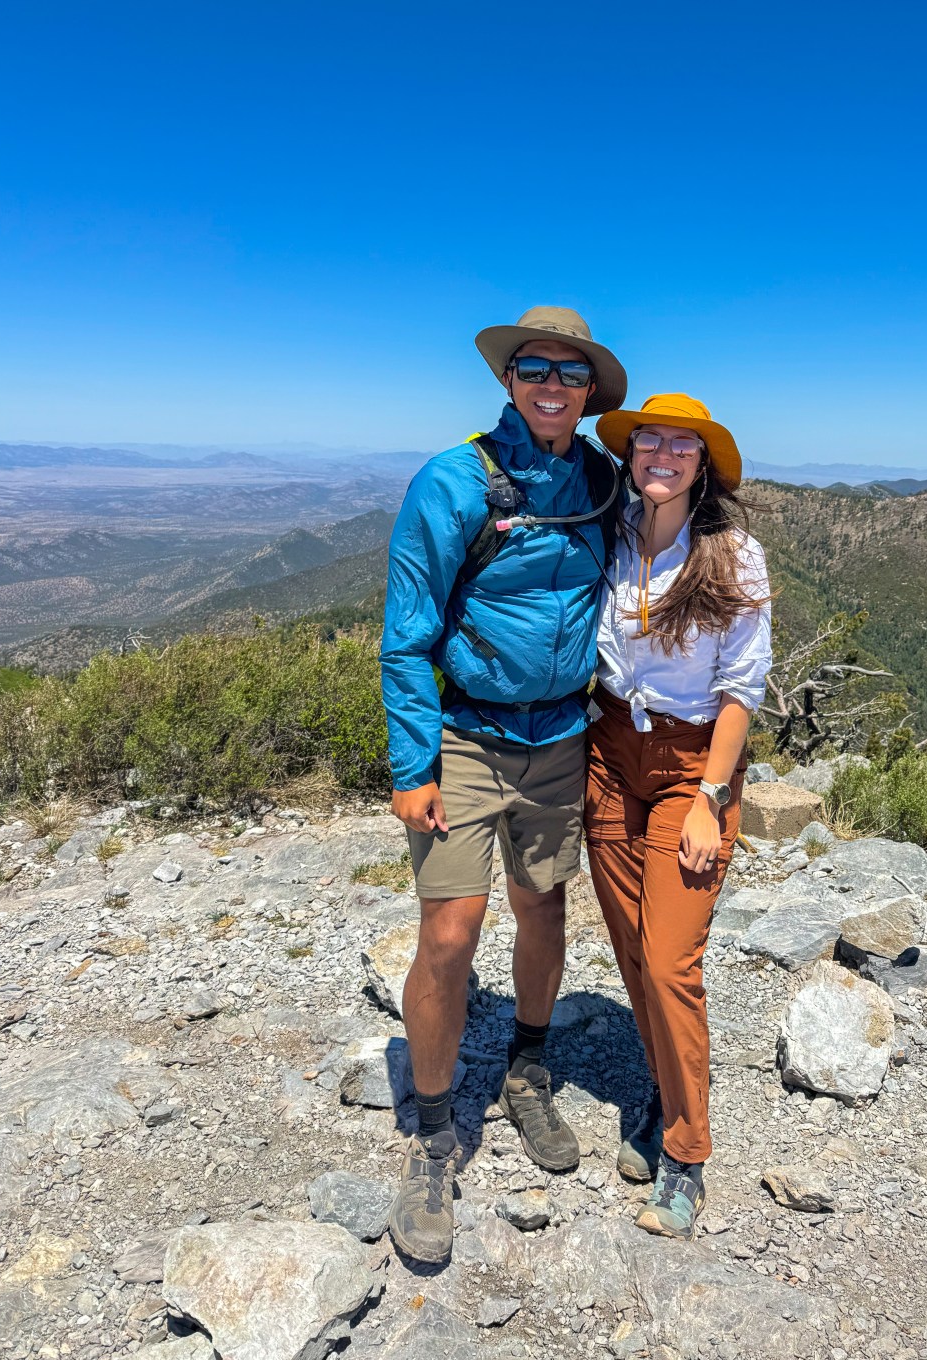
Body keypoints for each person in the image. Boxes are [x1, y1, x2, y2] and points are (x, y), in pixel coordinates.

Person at [378, 306, 627, 1263]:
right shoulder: (454, 481)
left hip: (564, 734)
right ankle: (433, 1132)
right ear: (509, 379)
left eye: (569, 373)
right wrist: (413, 767)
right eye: (534, 369)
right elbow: (406, 635)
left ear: (588, 392)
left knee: (544, 909)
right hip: (469, 738)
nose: (551, 386)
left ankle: (526, 1069)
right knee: (450, 932)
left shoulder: (602, 481)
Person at [586, 393, 772, 1239]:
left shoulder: (731, 556)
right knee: (629, 941)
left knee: (668, 960)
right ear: (632, 454)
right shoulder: (609, 530)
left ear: (703, 466)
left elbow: (742, 689)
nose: (661, 453)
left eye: (681, 446)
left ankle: (686, 1155)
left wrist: (708, 798)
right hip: (609, 749)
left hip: (692, 764)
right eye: (649, 439)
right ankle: (663, 1086)